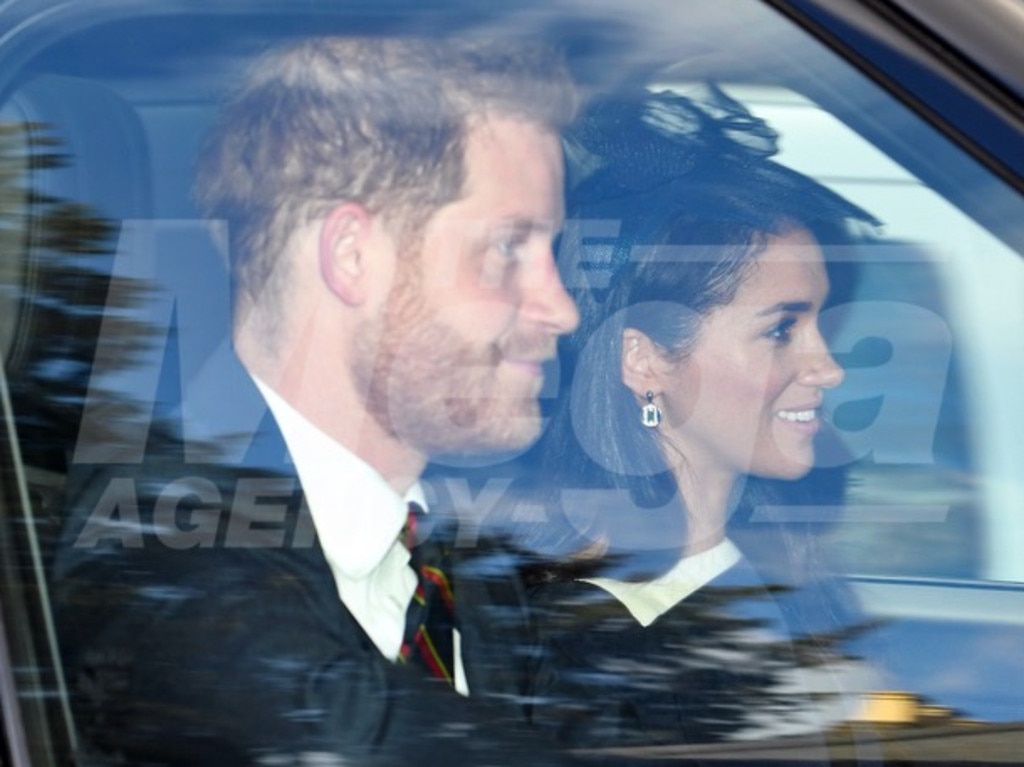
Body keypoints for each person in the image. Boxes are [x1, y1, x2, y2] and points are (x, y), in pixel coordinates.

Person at [52, 37, 579, 766]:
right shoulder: (154, 548)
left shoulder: (464, 549)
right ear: (352, 256)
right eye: (509, 247)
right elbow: (333, 732)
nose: (561, 308)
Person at [517, 86, 880, 749]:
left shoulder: (784, 566)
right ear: (647, 359)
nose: (829, 368)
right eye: (781, 330)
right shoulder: (558, 652)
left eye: (822, 323)